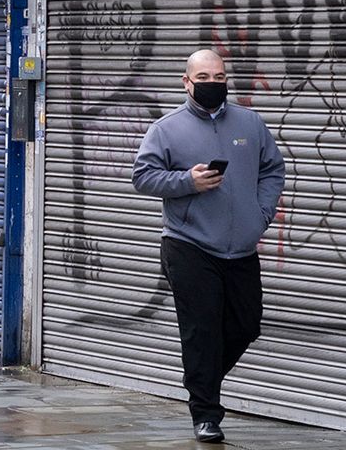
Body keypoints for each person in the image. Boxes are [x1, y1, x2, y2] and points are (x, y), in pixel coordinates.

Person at [132, 49, 285, 444]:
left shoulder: (249, 123)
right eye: (204, 77)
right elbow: (143, 177)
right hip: (189, 244)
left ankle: (201, 379)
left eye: (219, 76)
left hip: (241, 248)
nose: (213, 84)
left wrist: (261, 215)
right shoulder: (167, 129)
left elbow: (273, 169)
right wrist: (187, 182)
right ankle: (206, 414)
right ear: (187, 82)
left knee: (246, 325)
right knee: (201, 332)